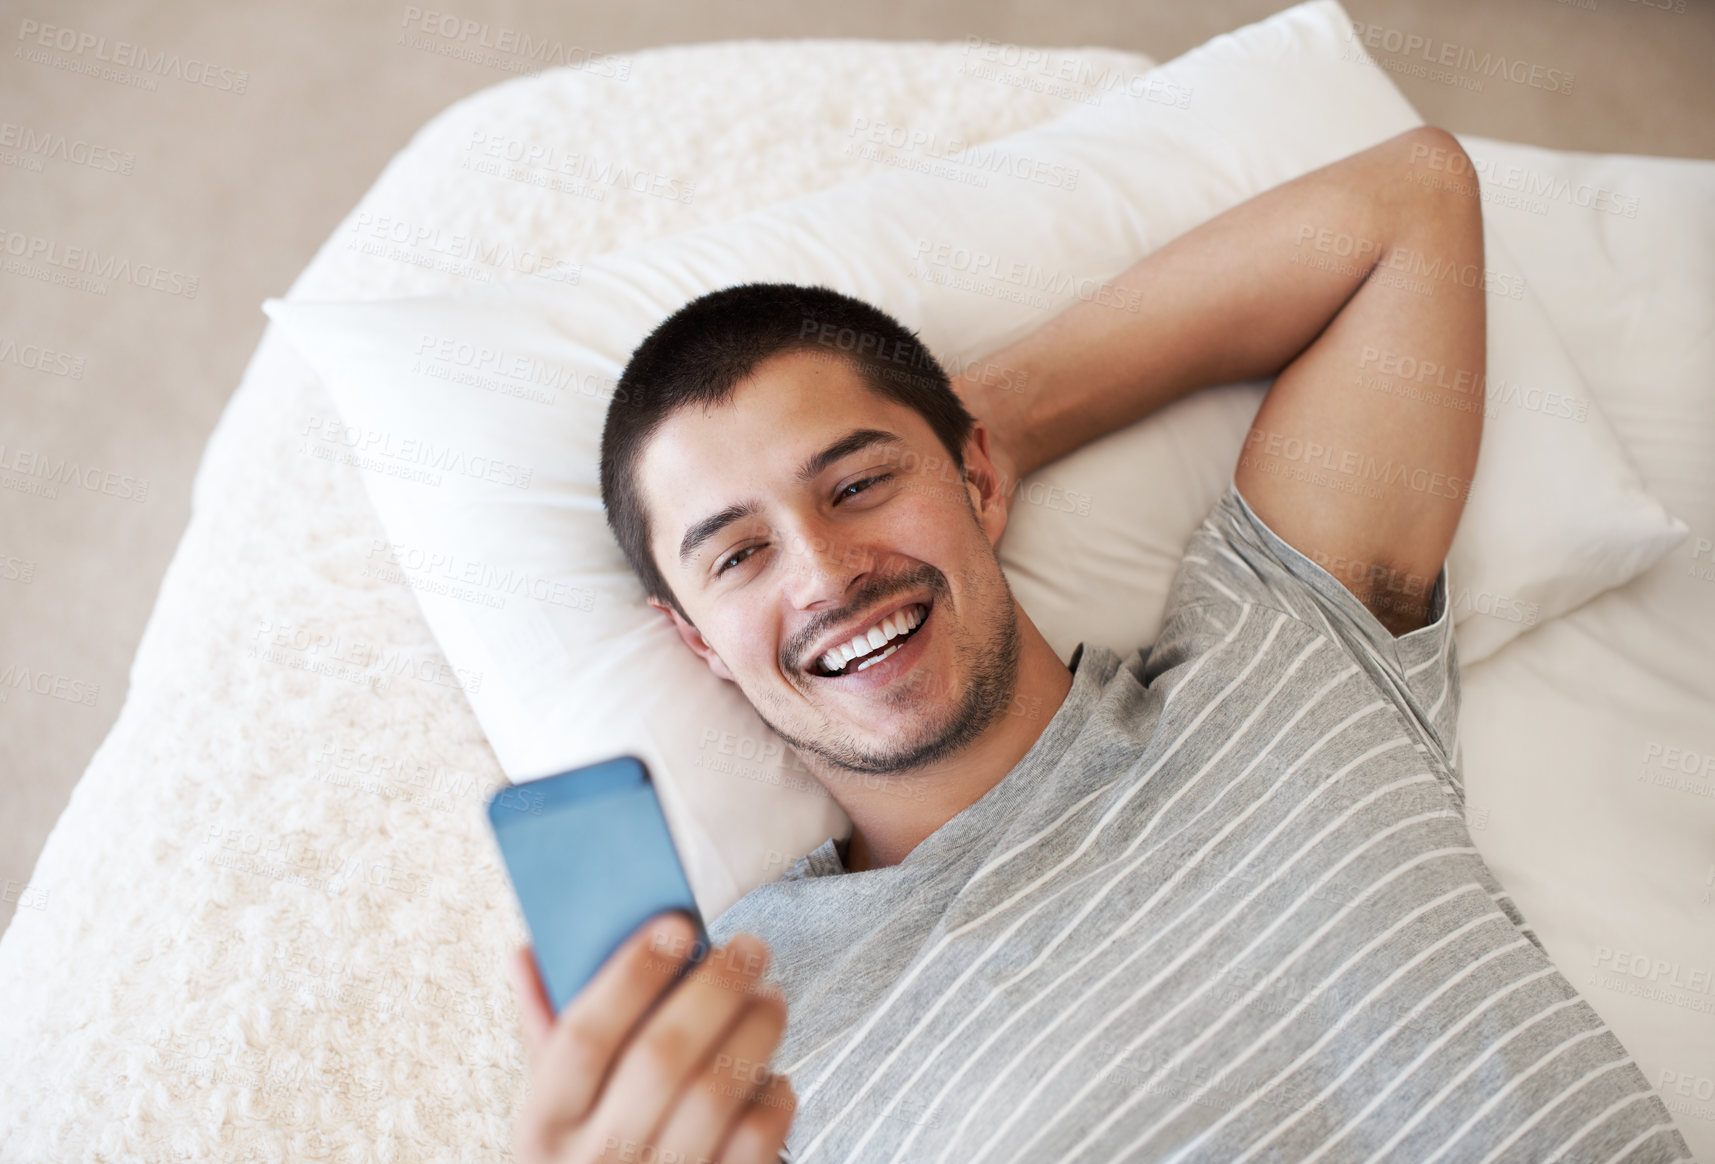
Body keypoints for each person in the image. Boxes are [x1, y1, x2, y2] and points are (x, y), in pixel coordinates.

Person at [505, 126, 1691, 1163]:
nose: (823, 573)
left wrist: (995, 423)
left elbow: (1408, 202)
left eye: (860, 482)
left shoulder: (1282, 652)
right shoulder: (745, 1017)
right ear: (697, 645)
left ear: (973, 477)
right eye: (736, 556)